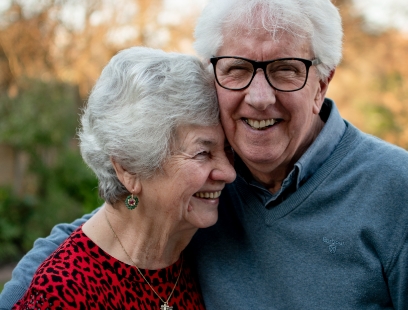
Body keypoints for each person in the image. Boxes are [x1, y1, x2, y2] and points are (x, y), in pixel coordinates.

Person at [1, 0, 408, 309]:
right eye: (237, 69)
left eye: (286, 69)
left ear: (322, 82)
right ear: (215, 72)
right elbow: (114, 222)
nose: (259, 98)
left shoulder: (395, 190)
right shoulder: (213, 181)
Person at [8, 46, 236, 309]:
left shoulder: (196, 252)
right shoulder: (63, 292)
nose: (229, 173)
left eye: (227, 150)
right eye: (203, 153)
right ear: (129, 168)